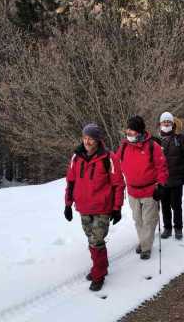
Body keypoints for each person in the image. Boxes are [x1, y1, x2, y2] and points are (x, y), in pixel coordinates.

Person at [64, 123, 125, 292]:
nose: (87, 141)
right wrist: (68, 204)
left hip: (102, 207)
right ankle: (101, 266)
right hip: (83, 207)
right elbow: (70, 181)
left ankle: (98, 275)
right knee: (91, 239)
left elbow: (118, 184)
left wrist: (117, 207)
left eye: (90, 138)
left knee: (96, 241)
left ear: (98, 140)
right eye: (84, 137)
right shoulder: (76, 158)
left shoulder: (109, 158)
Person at [118, 115, 168, 260]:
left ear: (139, 132)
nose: (128, 133)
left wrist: (161, 185)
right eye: (128, 130)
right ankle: (143, 240)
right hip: (133, 191)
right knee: (138, 220)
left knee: (149, 220)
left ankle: (146, 247)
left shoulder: (153, 146)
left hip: (149, 191)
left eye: (132, 131)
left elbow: (162, 168)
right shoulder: (124, 146)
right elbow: (115, 162)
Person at [158, 112, 184, 240]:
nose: (166, 124)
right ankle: (167, 228)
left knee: (176, 205)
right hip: (162, 180)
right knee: (165, 206)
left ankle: (178, 228)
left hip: (177, 178)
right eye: (164, 122)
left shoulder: (180, 138)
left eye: (169, 122)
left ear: (173, 124)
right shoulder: (156, 140)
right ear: (160, 124)